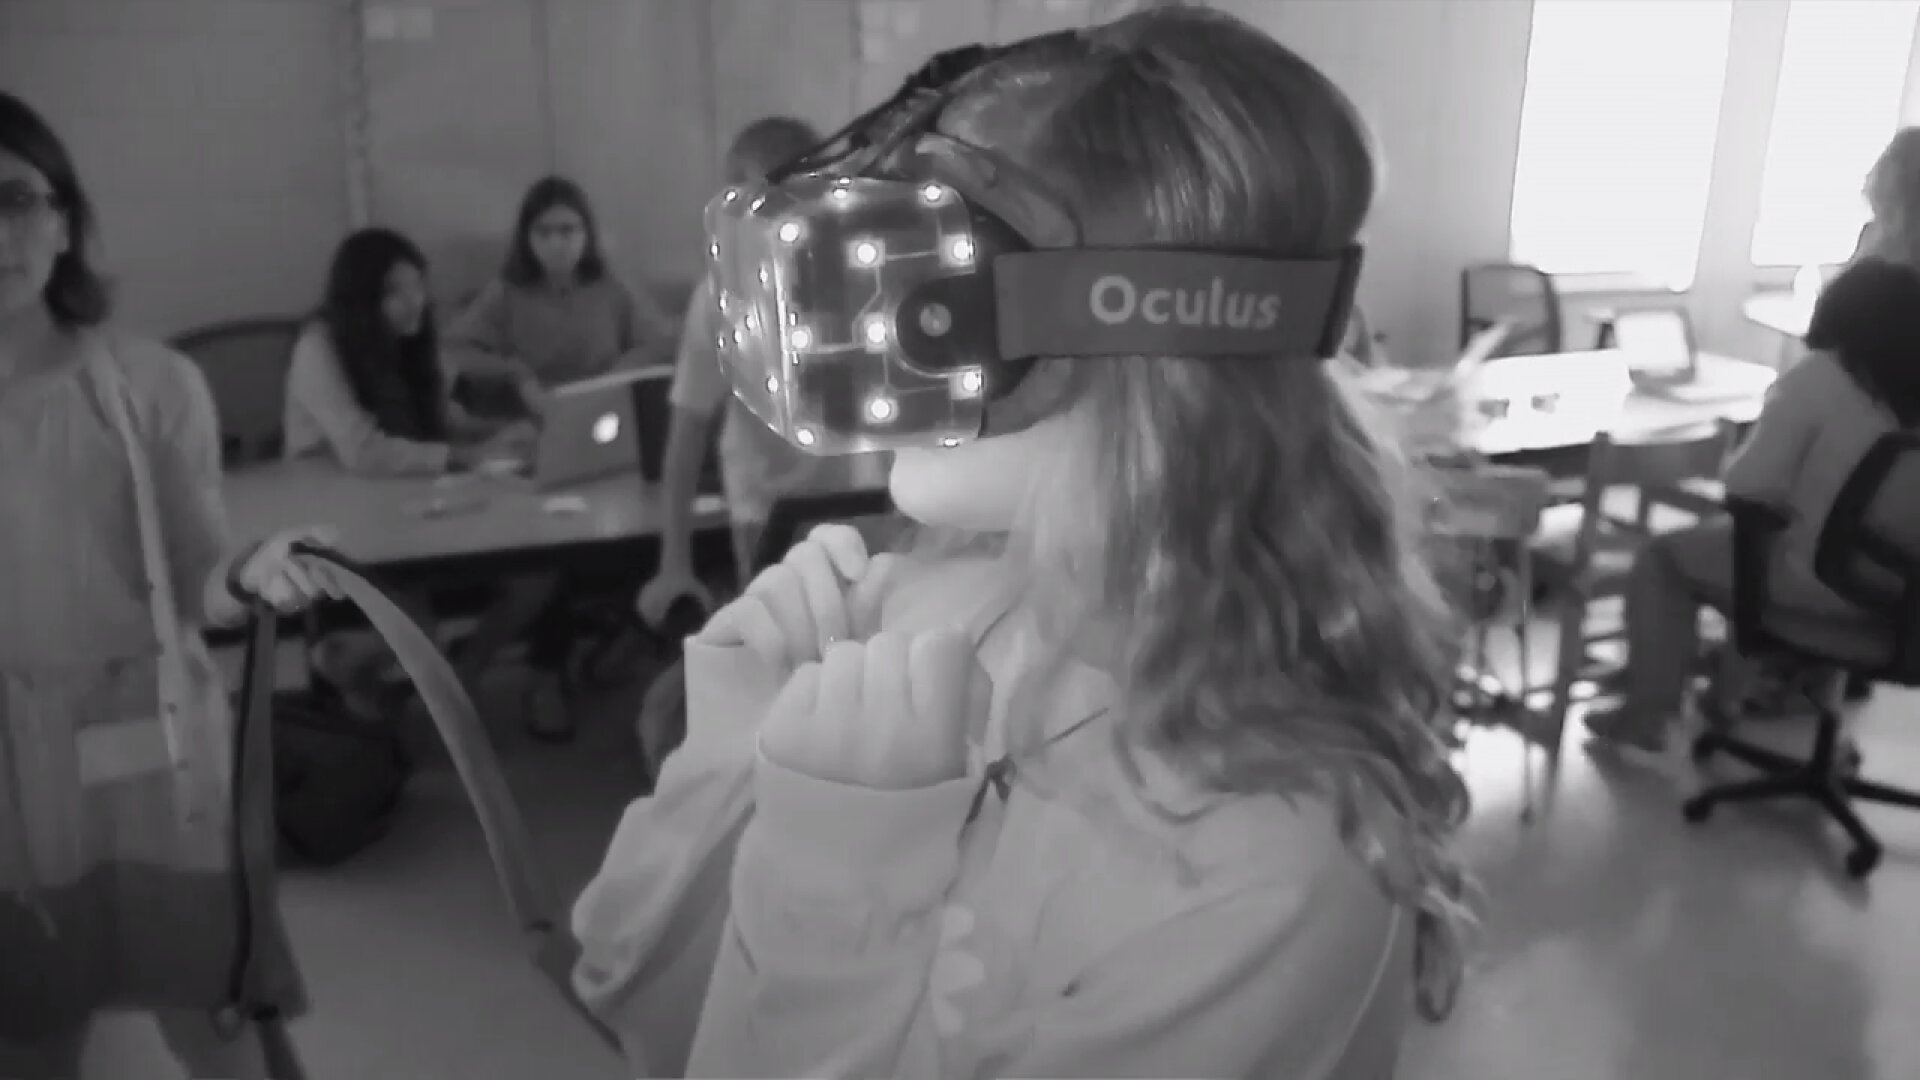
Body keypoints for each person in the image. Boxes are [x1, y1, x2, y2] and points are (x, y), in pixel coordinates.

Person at [572, 10, 1474, 1077]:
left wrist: (837, 877)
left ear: (1133, 342)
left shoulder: (1273, 856)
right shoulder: (928, 605)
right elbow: (629, 994)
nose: (863, 337)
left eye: (917, 294)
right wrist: (730, 747)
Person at [0, 90, 340, 1078]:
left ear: (63, 220)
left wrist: (255, 578)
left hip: (147, 761)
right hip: (6, 788)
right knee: (31, 1033)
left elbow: (199, 574)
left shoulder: (149, 387)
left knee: (214, 1018)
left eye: (17, 199)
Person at [1586, 258, 1920, 753]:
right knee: (1777, 541)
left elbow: (1748, 486)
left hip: (1826, 587)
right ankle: (1726, 696)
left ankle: (1648, 714)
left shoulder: (1821, 378)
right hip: (1904, 605)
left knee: (1664, 558)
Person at [637, 115, 888, 623]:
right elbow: (686, 437)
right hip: (765, 511)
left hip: (861, 502)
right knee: (783, 645)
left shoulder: (864, 276)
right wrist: (674, 563)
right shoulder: (718, 300)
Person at [284, 228, 535, 719]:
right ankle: (343, 659)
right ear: (361, 298)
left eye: (418, 286)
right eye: (395, 292)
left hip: (416, 497)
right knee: (419, 629)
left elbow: (443, 420)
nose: (413, 302)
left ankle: (462, 678)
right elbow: (363, 451)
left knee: (537, 576)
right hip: (343, 507)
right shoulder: (319, 349)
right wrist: (464, 457)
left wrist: (500, 433)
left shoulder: (417, 342)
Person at [444, 174, 676, 400]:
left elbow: (661, 344)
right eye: (543, 232)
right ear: (527, 238)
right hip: (537, 412)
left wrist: (620, 373)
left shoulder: (611, 287)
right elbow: (457, 348)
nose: (555, 244)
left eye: (567, 231)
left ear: (586, 234)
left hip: (606, 407)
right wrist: (512, 373)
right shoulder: (507, 292)